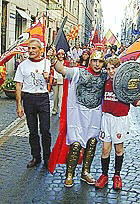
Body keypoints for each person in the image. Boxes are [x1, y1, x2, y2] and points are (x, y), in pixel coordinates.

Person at [95, 56, 140, 190]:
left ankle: (117, 176)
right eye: (108, 69)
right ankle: (104, 175)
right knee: (105, 149)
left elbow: (135, 101)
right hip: (106, 119)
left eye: (113, 68)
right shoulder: (105, 84)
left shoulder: (126, 84)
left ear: (119, 68)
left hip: (120, 120)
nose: (111, 71)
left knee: (119, 149)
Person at [54, 50, 107, 187]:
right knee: (76, 144)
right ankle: (69, 174)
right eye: (94, 61)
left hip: (95, 113)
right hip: (78, 113)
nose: (97, 64)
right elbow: (61, 69)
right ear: (90, 61)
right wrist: (56, 58)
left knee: (92, 142)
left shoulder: (105, 76)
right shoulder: (78, 72)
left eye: (100, 61)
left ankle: (85, 172)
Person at [14, 38, 51, 169]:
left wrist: (48, 77)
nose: (31, 51)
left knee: (45, 130)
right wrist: (19, 105)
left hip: (43, 98)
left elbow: (51, 84)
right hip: (29, 99)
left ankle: (48, 157)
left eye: (34, 48)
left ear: (40, 50)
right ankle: (36, 156)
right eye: (29, 48)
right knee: (33, 130)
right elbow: (18, 85)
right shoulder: (22, 65)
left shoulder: (47, 62)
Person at [51, 49, 70, 115]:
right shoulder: (55, 62)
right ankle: (54, 109)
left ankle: (61, 111)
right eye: (59, 54)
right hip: (55, 81)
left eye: (62, 54)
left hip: (63, 81)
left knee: (61, 96)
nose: (61, 56)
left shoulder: (66, 62)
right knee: (55, 96)